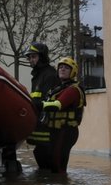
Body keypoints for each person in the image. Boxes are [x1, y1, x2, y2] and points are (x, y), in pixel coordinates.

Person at [38, 56, 86, 177]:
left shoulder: (73, 90)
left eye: (66, 68)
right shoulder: (58, 88)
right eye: (60, 67)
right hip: (57, 130)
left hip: (66, 131)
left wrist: (37, 104)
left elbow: (57, 105)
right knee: (49, 161)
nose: (62, 69)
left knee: (57, 165)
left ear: (73, 72)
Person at [22, 41, 60, 172]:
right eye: (29, 57)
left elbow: (48, 101)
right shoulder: (38, 75)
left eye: (33, 57)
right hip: (40, 125)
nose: (30, 60)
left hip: (47, 127)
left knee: (46, 158)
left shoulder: (49, 74)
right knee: (40, 154)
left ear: (42, 57)